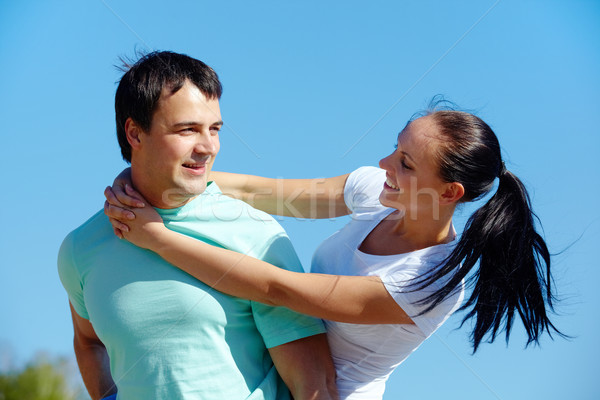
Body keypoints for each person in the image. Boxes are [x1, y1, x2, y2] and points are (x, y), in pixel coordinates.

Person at [105, 106, 561, 400]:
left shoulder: (431, 281)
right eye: (395, 148)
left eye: (406, 163)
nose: (386, 164)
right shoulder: (376, 190)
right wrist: (152, 177)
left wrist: (158, 238)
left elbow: (278, 288)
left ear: (449, 193)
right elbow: (259, 192)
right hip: (277, 375)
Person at [58, 51, 338, 400]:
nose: (207, 147)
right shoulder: (82, 248)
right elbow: (88, 341)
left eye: (215, 129)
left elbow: (315, 385)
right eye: (187, 129)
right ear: (134, 132)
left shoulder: (256, 234)